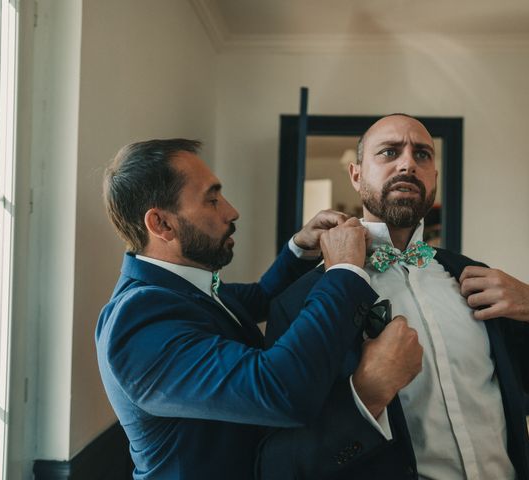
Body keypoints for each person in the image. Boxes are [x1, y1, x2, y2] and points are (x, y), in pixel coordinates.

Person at [259, 114, 529, 480]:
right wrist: (367, 396)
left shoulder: (477, 278)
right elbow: (281, 464)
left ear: (434, 179)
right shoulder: (301, 300)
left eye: (423, 154)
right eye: (390, 152)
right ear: (356, 174)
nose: (408, 163)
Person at [96, 138, 424, 479]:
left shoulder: (184, 290)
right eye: (212, 200)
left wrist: (300, 247)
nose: (231, 211)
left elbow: (263, 297)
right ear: (161, 224)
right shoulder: (136, 322)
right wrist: (344, 271)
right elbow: (280, 388)